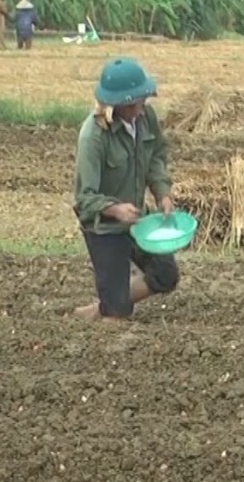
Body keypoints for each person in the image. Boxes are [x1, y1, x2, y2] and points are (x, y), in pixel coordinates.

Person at [71, 57, 179, 322]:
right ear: (116, 104)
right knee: (119, 314)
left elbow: (155, 156)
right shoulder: (93, 137)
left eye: (143, 100)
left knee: (166, 275)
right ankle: (111, 304)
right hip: (104, 229)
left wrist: (162, 192)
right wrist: (115, 209)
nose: (141, 109)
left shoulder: (145, 118)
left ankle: (108, 302)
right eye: (133, 104)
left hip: (137, 220)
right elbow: (84, 199)